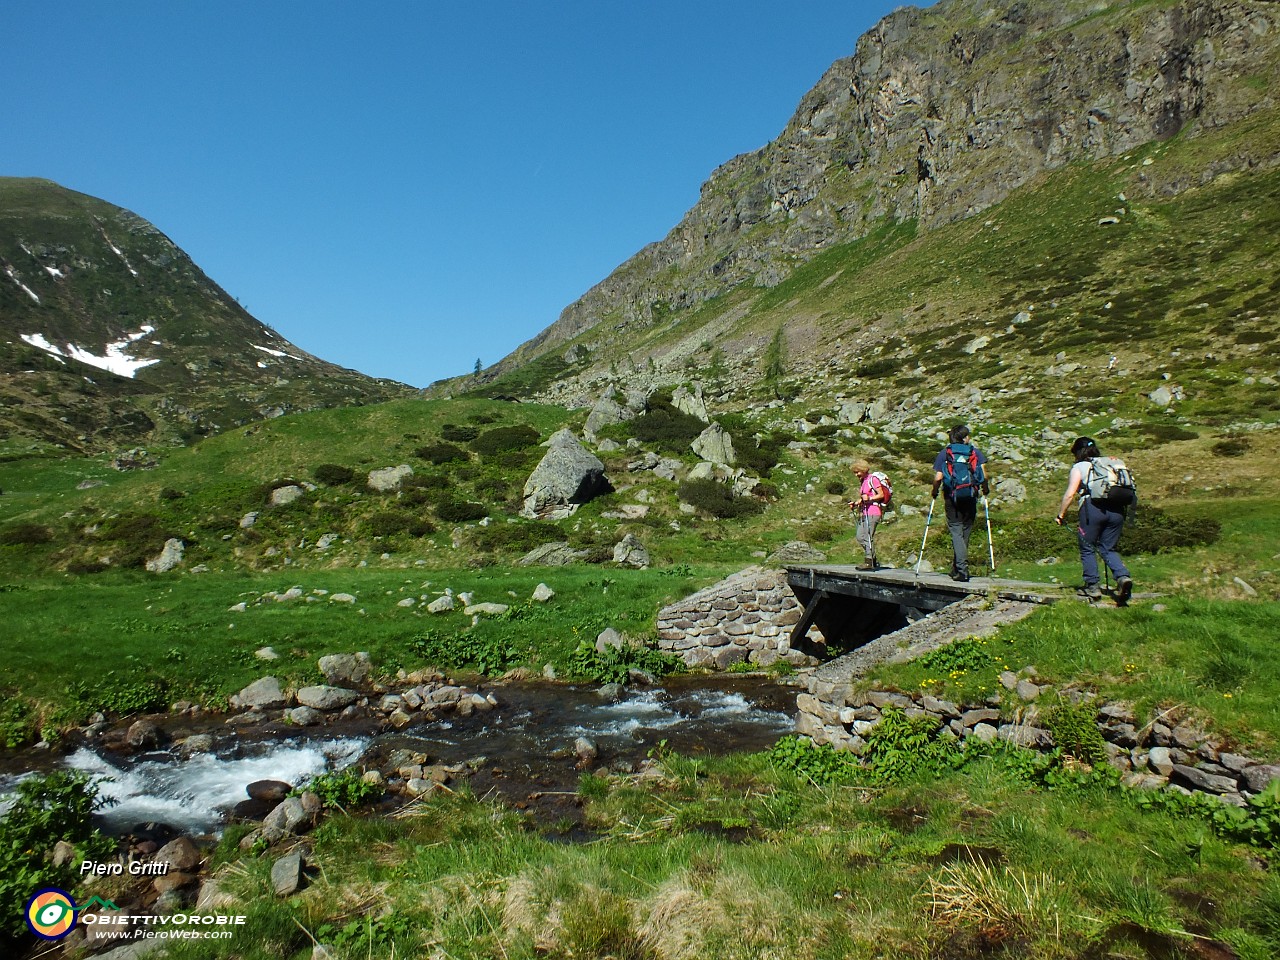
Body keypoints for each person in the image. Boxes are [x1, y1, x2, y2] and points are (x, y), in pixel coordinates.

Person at [1055, 436, 1133, 603]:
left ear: (1077, 452)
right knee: (1108, 548)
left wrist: (1061, 515)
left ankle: (1092, 586)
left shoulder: (1079, 467)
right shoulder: (1110, 463)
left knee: (1087, 546)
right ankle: (1122, 577)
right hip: (1117, 509)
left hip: (1093, 509)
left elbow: (1070, 494)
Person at [930, 424, 989, 582]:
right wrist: (985, 489)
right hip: (970, 495)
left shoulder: (945, 453)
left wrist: (934, 491)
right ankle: (957, 568)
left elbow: (938, 477)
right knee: (965, 531)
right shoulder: (974, 452)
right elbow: (984, 474)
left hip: (952, 496)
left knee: (956, 531)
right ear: (964, 438)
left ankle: (961, 570)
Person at [849, 459, 887, 571]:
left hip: (873, 511)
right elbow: (864, 498)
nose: (856, 475)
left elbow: (880, 495)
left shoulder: (872, 479)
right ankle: (873, 559)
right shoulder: (864, 481)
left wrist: (869, 498)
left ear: (863, 470)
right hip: (865, 512)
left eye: (857, 472)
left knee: (867, 537)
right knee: (860, 536)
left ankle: (869, 562)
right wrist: (856, 503)